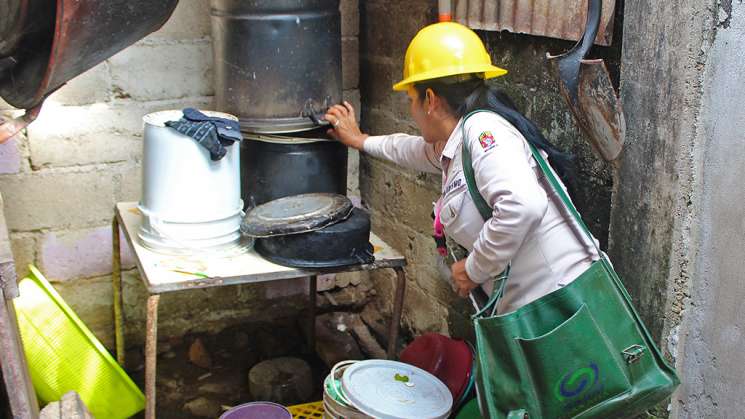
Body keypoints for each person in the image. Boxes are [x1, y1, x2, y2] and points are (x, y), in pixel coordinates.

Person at [324, 22, 600, 313]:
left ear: (429, 100)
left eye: (410, 100)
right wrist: (360, 140)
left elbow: (523, 204)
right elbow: (408, 149)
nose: (411, 110)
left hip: (565, 305)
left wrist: (473, 269)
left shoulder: (483, 132)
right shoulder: (460, 143)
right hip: (543, 307)